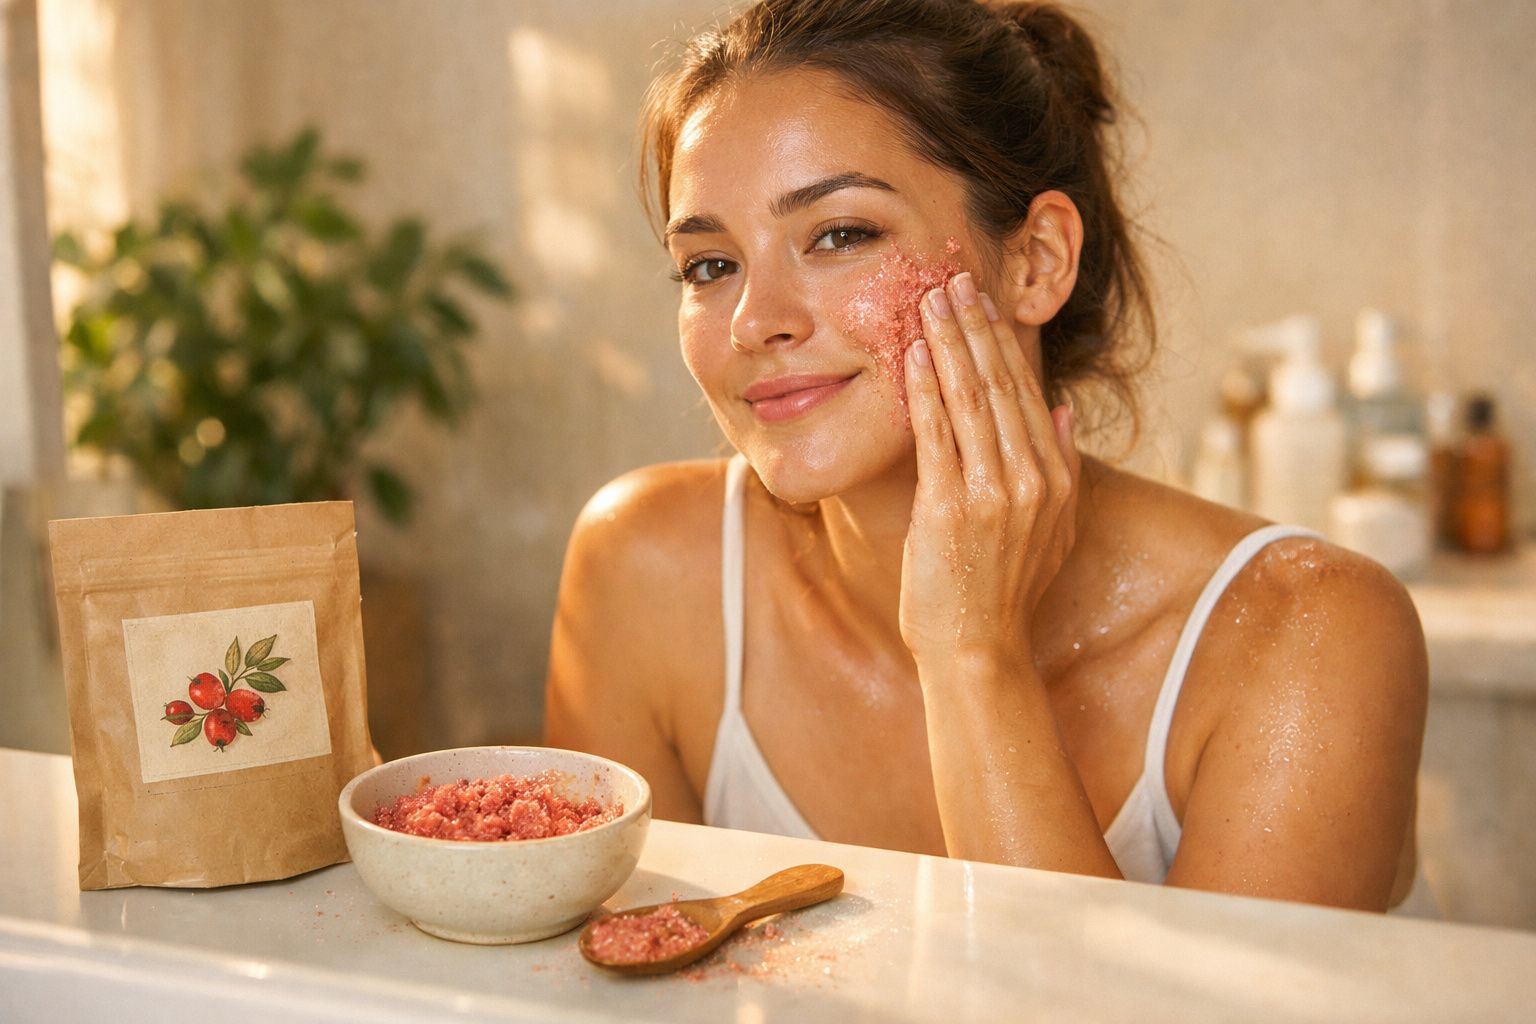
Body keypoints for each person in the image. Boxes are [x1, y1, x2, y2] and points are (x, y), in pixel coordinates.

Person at [544, 0, 1427, 911]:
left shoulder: (1310, 635)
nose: (753, 320)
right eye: (709, 265)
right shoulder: (643, 572)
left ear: (1037, 260)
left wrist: (973, 653)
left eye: (841, 235)